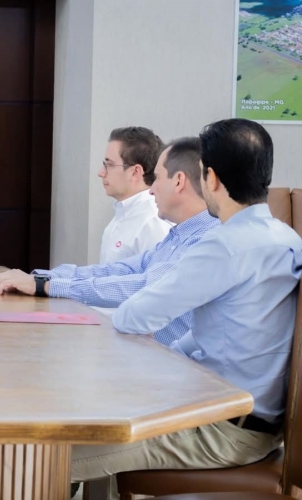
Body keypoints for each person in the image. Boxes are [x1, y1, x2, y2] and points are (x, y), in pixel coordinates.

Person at [71, 118, 302, 498]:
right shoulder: (285, 238)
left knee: (43, 451)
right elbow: (229, 331)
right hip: (256, 425)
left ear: (209, 178)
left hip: (220, 431)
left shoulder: (224, 245)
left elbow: (133, 315)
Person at [0, 137, 219, 345]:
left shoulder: (205, 240)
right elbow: (125, 269)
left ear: (178, 181)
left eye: (156, 179)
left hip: (174, 367)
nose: (151, 190)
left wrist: (46, 286)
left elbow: (144, 285)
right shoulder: (178, 234)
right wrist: (44, 279)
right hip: (146, 353)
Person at [98, 127, 172, 263]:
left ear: (135, 172)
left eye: (109, 165)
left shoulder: (152, 222)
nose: (101, 172)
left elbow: (155, 281)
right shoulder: (122, 214)